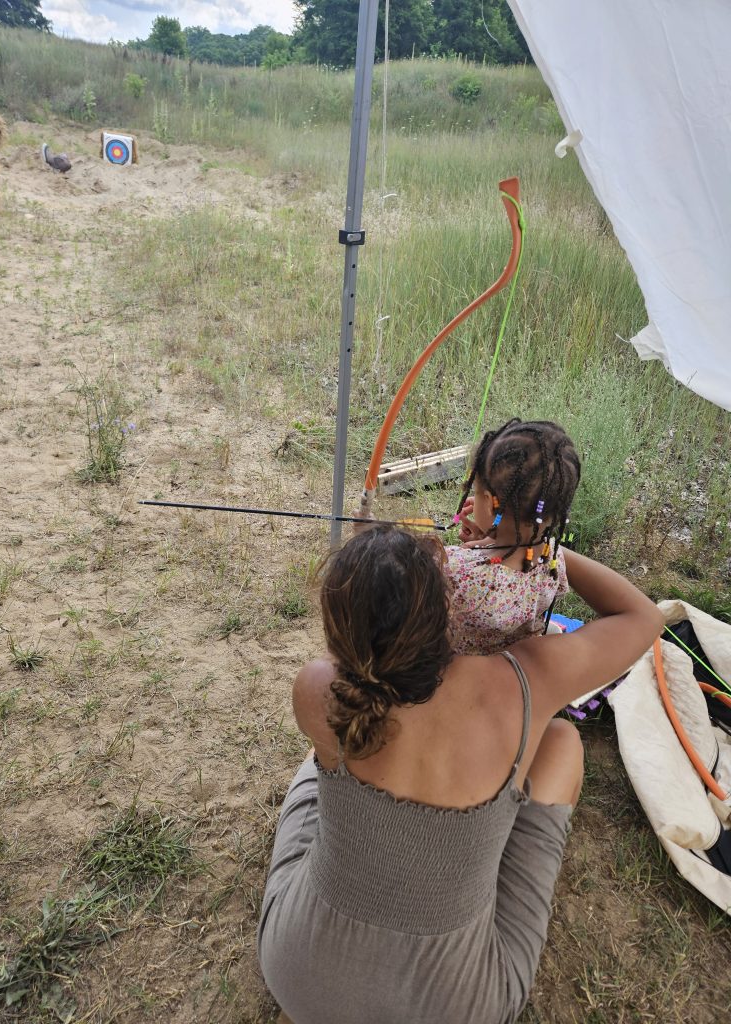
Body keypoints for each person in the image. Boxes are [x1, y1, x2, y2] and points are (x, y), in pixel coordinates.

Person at [257, 525, 662, 1024]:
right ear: (450, 607)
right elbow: (642, 616)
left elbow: (366, 663)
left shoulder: (318, 690)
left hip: (301, 976)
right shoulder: (524, 679)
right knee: (561, 742)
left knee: (322, 762)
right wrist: (532, 540)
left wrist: (372, 585)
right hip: (458, 1006)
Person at [447, 418, 581, 655]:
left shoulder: (457, 570)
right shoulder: (553, 557)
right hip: (519, 660)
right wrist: (491, 541)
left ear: (489, 504)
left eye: (476, 492)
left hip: (468, 673)